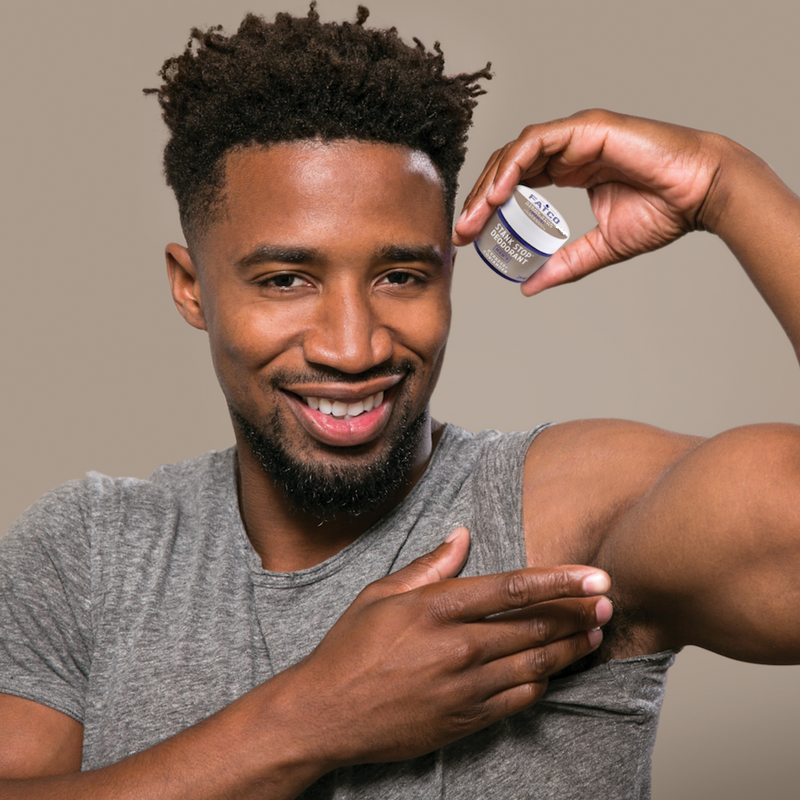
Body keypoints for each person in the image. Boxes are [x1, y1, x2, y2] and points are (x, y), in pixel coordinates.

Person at [1, 4, 799, 798]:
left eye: (399, 277)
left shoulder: (565, 522)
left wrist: (728, 185)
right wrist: (311, 719)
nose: (353, 349)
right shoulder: (90, 552)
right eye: (287, 280)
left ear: (447, 277)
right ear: (191, 288)